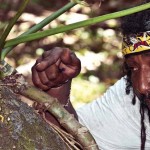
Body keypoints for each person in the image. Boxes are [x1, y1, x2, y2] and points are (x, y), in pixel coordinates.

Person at [31, 2, 150, 150]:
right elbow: (74, 139)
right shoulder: (131, 99)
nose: (142, 85)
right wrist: (57, 86)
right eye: (133, 68)